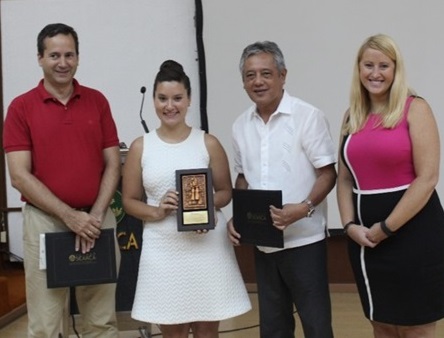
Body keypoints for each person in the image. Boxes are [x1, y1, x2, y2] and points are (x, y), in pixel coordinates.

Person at [3, 23, 121, 337]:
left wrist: (93, 216)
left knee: (101, 320)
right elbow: (18, 175)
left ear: (78, 58)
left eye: (69, 54)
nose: (63, 62)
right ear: (40, 58)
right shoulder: (20, 107)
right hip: (46, 222)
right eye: (54, 55)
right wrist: (70, 216)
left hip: (97, 221)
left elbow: (113, 164)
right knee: (45, 323)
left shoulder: (97, 101)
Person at [122, 60, 251, 338]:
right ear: (154, 100)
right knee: (173, 331)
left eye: (178, 98)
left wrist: (205, 206)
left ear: (189, 100)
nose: (170, 106)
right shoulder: (140, 147)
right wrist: (156, 212)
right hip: (163, 248)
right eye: (162, 98)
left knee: (207, 331)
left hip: (206, 244)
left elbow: (225, 192)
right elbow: (129, 201)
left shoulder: (208, 142)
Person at [337, 34, 444, 338]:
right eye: (368, 65)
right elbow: (344, 178)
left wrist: (386, 228)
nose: (375, 73)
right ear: (358, 69)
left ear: (396, 70)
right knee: (381, 323)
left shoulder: (415, 108)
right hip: (365, 242)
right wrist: (348, 225)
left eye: (384, 65)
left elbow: (427, 179)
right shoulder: (351, 116)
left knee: (416, 328)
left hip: (414, 236)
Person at [228, 41, 337, 338]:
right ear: (243, 81)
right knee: (274, 329)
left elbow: (328, 173)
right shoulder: (240, 126)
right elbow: (242, 179)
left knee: (316, 327)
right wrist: (237, 216)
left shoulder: (308, 116)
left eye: (266, 73)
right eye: (250, 75)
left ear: (283, 75)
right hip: (264, 244)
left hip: (305, 242)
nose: (258, 81)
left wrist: (304, 208)